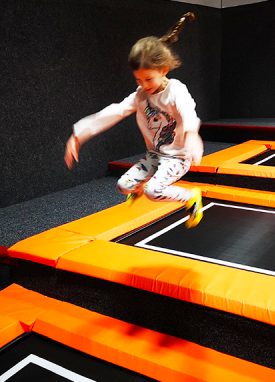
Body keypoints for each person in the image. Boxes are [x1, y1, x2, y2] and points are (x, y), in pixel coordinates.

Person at [64, 13, 203, 228]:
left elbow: (188, 112)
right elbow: (113, 112)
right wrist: (78, 135)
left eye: (148, 79)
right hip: (155, 155)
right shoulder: (140, 95)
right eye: (138, 79)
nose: (144, 84)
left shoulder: (176, 90)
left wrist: (192, 135)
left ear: (163, 70)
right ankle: (137, 190)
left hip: (177, 158)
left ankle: (190, 197)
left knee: (152, 191)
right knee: (123, 185)